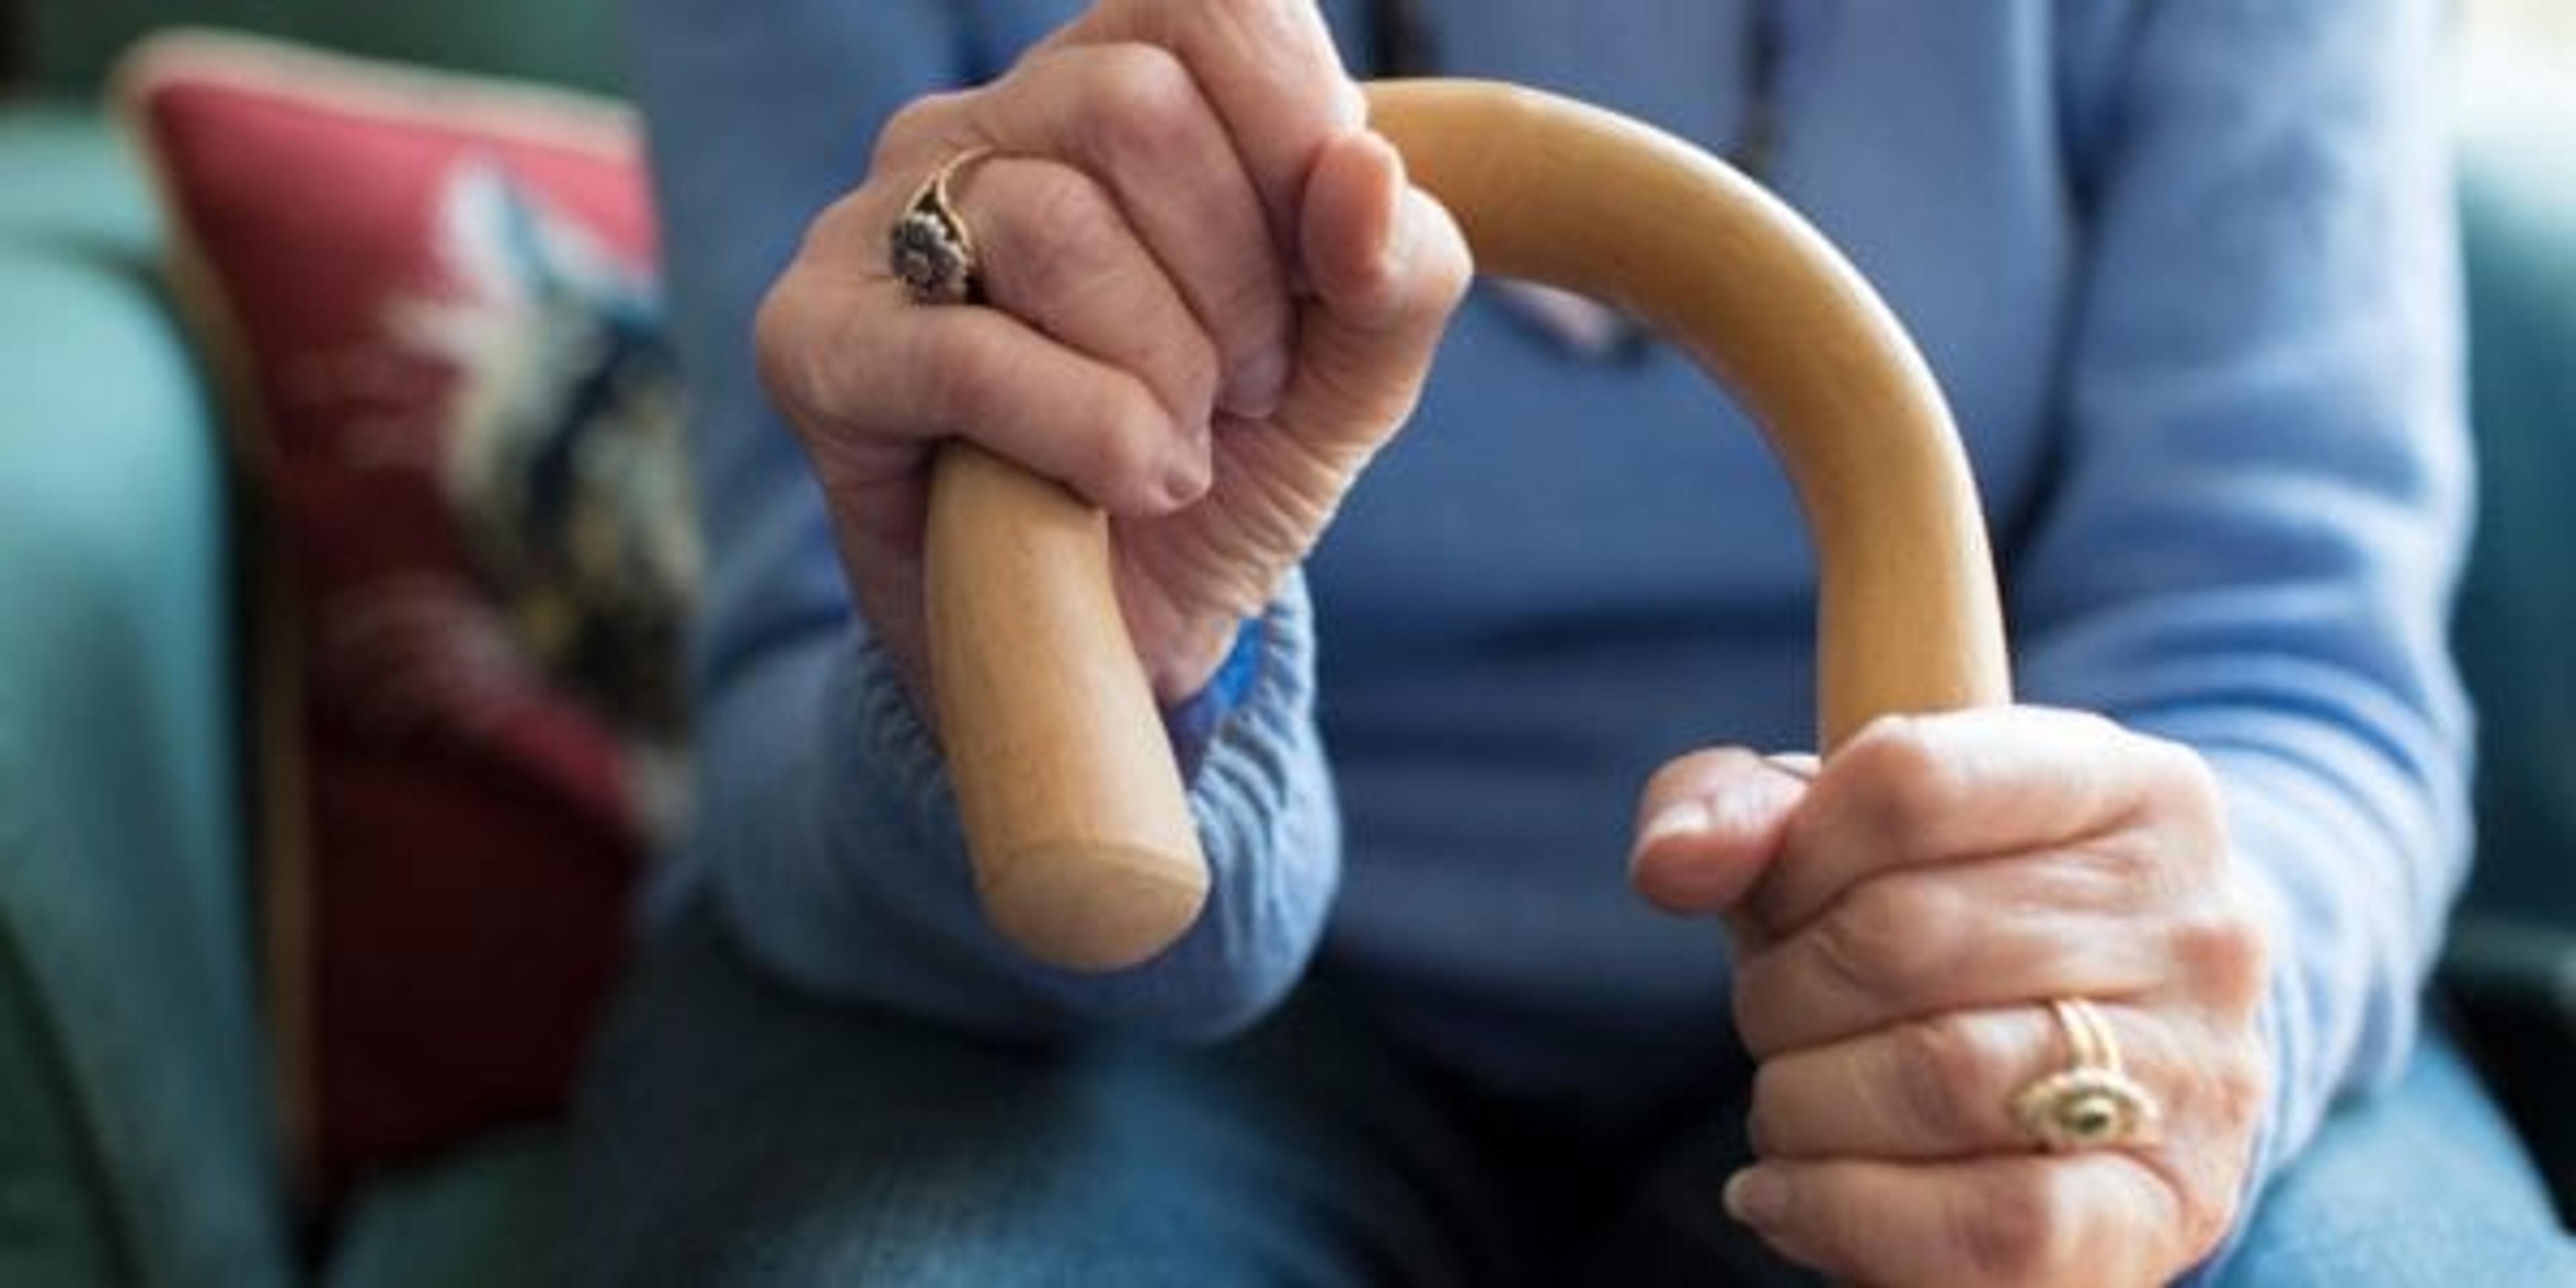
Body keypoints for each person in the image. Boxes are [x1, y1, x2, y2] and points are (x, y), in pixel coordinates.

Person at [568, 1, 2576, 1283]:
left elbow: (2281, 638)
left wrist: (2110, 997)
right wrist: (1075, 696)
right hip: (1086, 1048)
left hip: (1955, 966)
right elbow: (794, 692)